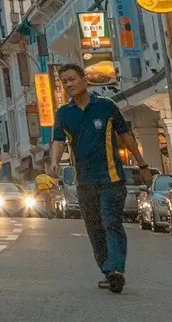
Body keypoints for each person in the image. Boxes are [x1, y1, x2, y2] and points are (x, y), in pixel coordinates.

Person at [49, 63, 147, 295]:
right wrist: (54, 161)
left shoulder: (106, 106)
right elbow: (58, 141)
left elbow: (126, 136)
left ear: (84, 79)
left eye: (72, 79)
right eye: (64, 82)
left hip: (111, 178)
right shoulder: (64, 113)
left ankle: (116, 269)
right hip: (84, 181)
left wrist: (142, 164)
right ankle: (108, 271)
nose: (69, 84)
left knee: (111, 222)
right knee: (94, 228)